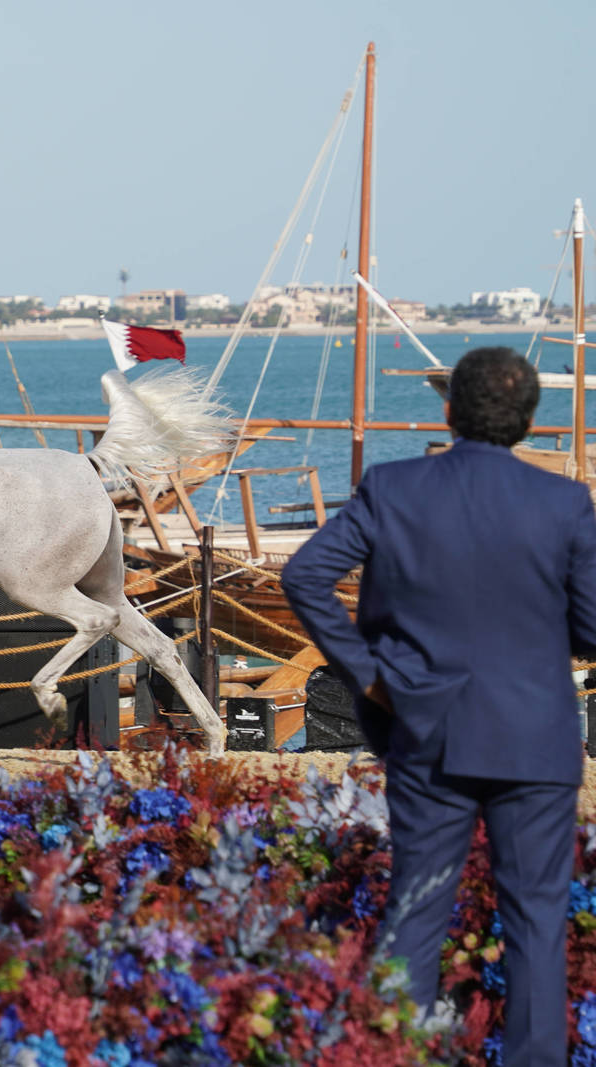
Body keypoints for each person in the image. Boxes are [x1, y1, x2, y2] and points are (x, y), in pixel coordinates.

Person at [281, 347, 595, 1065]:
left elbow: (306, 576)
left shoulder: (393, 488)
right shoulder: (565, 502)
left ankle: (391, 1050)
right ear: (528, 422)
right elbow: (591, 629)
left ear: (448, 411)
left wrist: (368, 674)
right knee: (538, 920)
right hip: (535, 738)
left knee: (417, 908)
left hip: (427, 727)